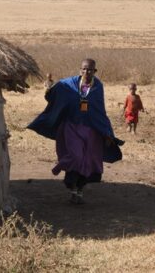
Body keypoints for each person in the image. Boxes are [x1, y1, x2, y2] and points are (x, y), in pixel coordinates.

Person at [27, 59, 122, 204]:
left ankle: (78, 191)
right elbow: (53, 94)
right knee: (76, 156)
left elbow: (100, 111)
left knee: (89, 160)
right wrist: (49, 86)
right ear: (80, 70)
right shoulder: (69, 84)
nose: (86, 72)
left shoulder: (98, 87)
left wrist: (107, 132)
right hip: (71, 127)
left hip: (91, 130)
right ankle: (68, 179)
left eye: (90, 69)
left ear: (95, 71)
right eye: (84, 69)